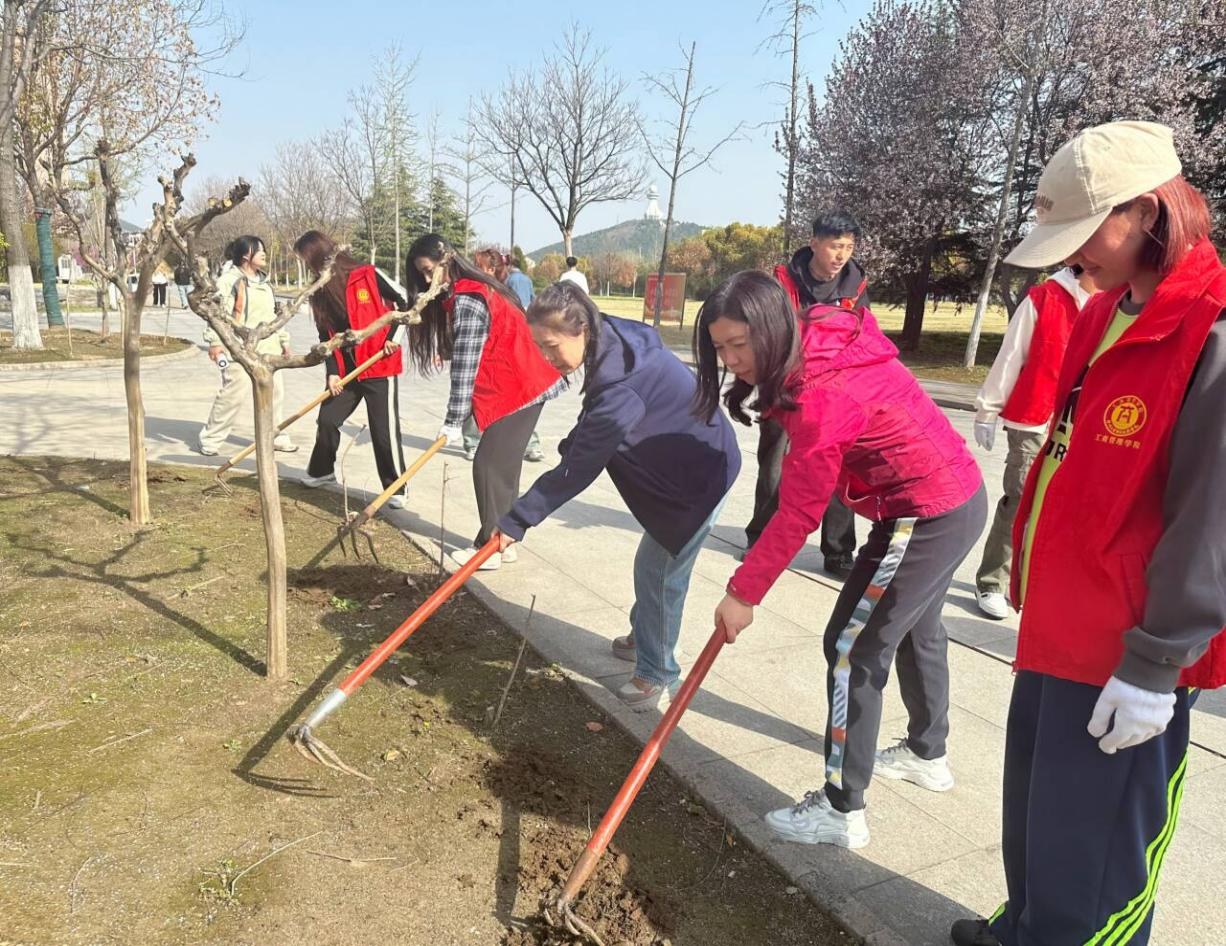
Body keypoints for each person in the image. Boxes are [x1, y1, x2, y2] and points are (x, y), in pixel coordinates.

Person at [950, 122, 1226, 946]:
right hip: (1060, 622)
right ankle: (1025, 926)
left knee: (1097, 859)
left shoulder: (1208, 332)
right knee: (1037, 820)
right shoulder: (1107, 308)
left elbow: (1211, 515)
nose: (1073, 260)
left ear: (1145, 212)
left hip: (1129, 647)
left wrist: (1156, 661)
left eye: (1084, 236)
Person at [698, 270, 985, 849]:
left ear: (773, 329)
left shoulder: (823, 392)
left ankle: (840, 808)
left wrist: (743, 593)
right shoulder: (817, 342)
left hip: (923, 511)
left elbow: (797, 512)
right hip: (947, 498)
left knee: (852, 648)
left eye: (740, 344)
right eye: (719, 348)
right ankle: (929, 754)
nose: (731, 361)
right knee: (916, 630)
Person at [494, 282, 741, 709]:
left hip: (698, 477)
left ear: (581, 330)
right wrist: (575, 440)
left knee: (659, 574)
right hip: (690, 460)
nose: (546, 357)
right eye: (539, 346)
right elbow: (595, 421)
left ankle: (656, 672)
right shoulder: (613, 340)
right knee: (654, 569)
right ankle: (647, 633)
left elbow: (579, 468)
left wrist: (517, 520)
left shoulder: (620, 381)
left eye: (551, 346)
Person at [406, 234, 563, 570]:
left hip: (521, 385)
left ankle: (490, 546)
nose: (424, 279)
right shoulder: (470, 291)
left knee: (489, 466)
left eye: (427, 270)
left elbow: (466, 366)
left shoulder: (469, 298)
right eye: (420, 273)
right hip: (521, 383)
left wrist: (452, 420)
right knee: (501, 469)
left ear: (446, 261)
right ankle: (504, 542)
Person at [747, 210, 870, 579]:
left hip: (833, 393)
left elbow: (861, 336)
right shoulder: (782, 281)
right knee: (773, 463)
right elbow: (765, 330)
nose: (841, 255)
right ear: (814, 242)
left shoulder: (856, 286)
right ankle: (761, 540)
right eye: (835, 245)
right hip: (784, 385)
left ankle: (838, 551)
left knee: (837, 467)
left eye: (848, 247)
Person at [971, 265, 1098, 619]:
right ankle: (993, 581)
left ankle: (1042, 583)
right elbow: (1010, 357)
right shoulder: (1045, 299)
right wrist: (988, 410)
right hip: (1036, 418)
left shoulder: (1115, 300)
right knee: (1021, 498)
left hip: (1084, 421)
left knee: (1067, 508)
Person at [293, 230, 410, 508]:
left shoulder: (366, 274)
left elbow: (404, 301)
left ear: (318, 255)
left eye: (306, 259)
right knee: (328, 420)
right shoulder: (318, 291)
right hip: (346, 367)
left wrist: (393, 339)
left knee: (383, 430)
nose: (306, 266)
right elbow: (326, 337)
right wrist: (332, 370)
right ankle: (322, 471)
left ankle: (396, 488)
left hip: (379, 361)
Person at [197, 236, 297, 457]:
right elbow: (216, 314)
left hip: (269, 350)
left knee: (275, 394)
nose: (264, 254)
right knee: (233, 394)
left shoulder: (264, 283)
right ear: (245, 255)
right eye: (259, 250)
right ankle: (211, 439)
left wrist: (284, 342)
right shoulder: (229, 281)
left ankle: (276, 436)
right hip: (239, 349)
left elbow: (272, 316)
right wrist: (214, 342)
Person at [462, 249, 545, 464]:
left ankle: (526, 442)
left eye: (478, 266)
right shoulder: (481, 289)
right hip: (493, 348)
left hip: (508, 347)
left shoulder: (504, 287)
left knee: (518, 397)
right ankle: (475, 441)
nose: (473, 269)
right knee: (479, 395)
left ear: (491, 268)